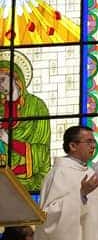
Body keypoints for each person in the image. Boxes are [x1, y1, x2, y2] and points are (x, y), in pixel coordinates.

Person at [0, 56, 51, 193]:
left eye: (2, 80)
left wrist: (8, 140)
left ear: (16, 78)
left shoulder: (36, 106)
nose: (0, 85)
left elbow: (41, 151)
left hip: (28, 178)